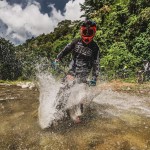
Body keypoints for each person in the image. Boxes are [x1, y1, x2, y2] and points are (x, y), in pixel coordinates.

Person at [54, 20, 100, 123]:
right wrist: (57, 58)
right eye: (85, 32)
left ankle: (77, 115)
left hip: (84, 76)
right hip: (72, 72)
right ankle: (55, 110)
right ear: (81, 32)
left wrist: (94, 78)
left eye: (90, 33)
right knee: (63, 89)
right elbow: (65, 50)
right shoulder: (75, 42)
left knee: (80, 96)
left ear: (94, 33)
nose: (87, 35)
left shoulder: (95, 48)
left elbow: (96, 64)